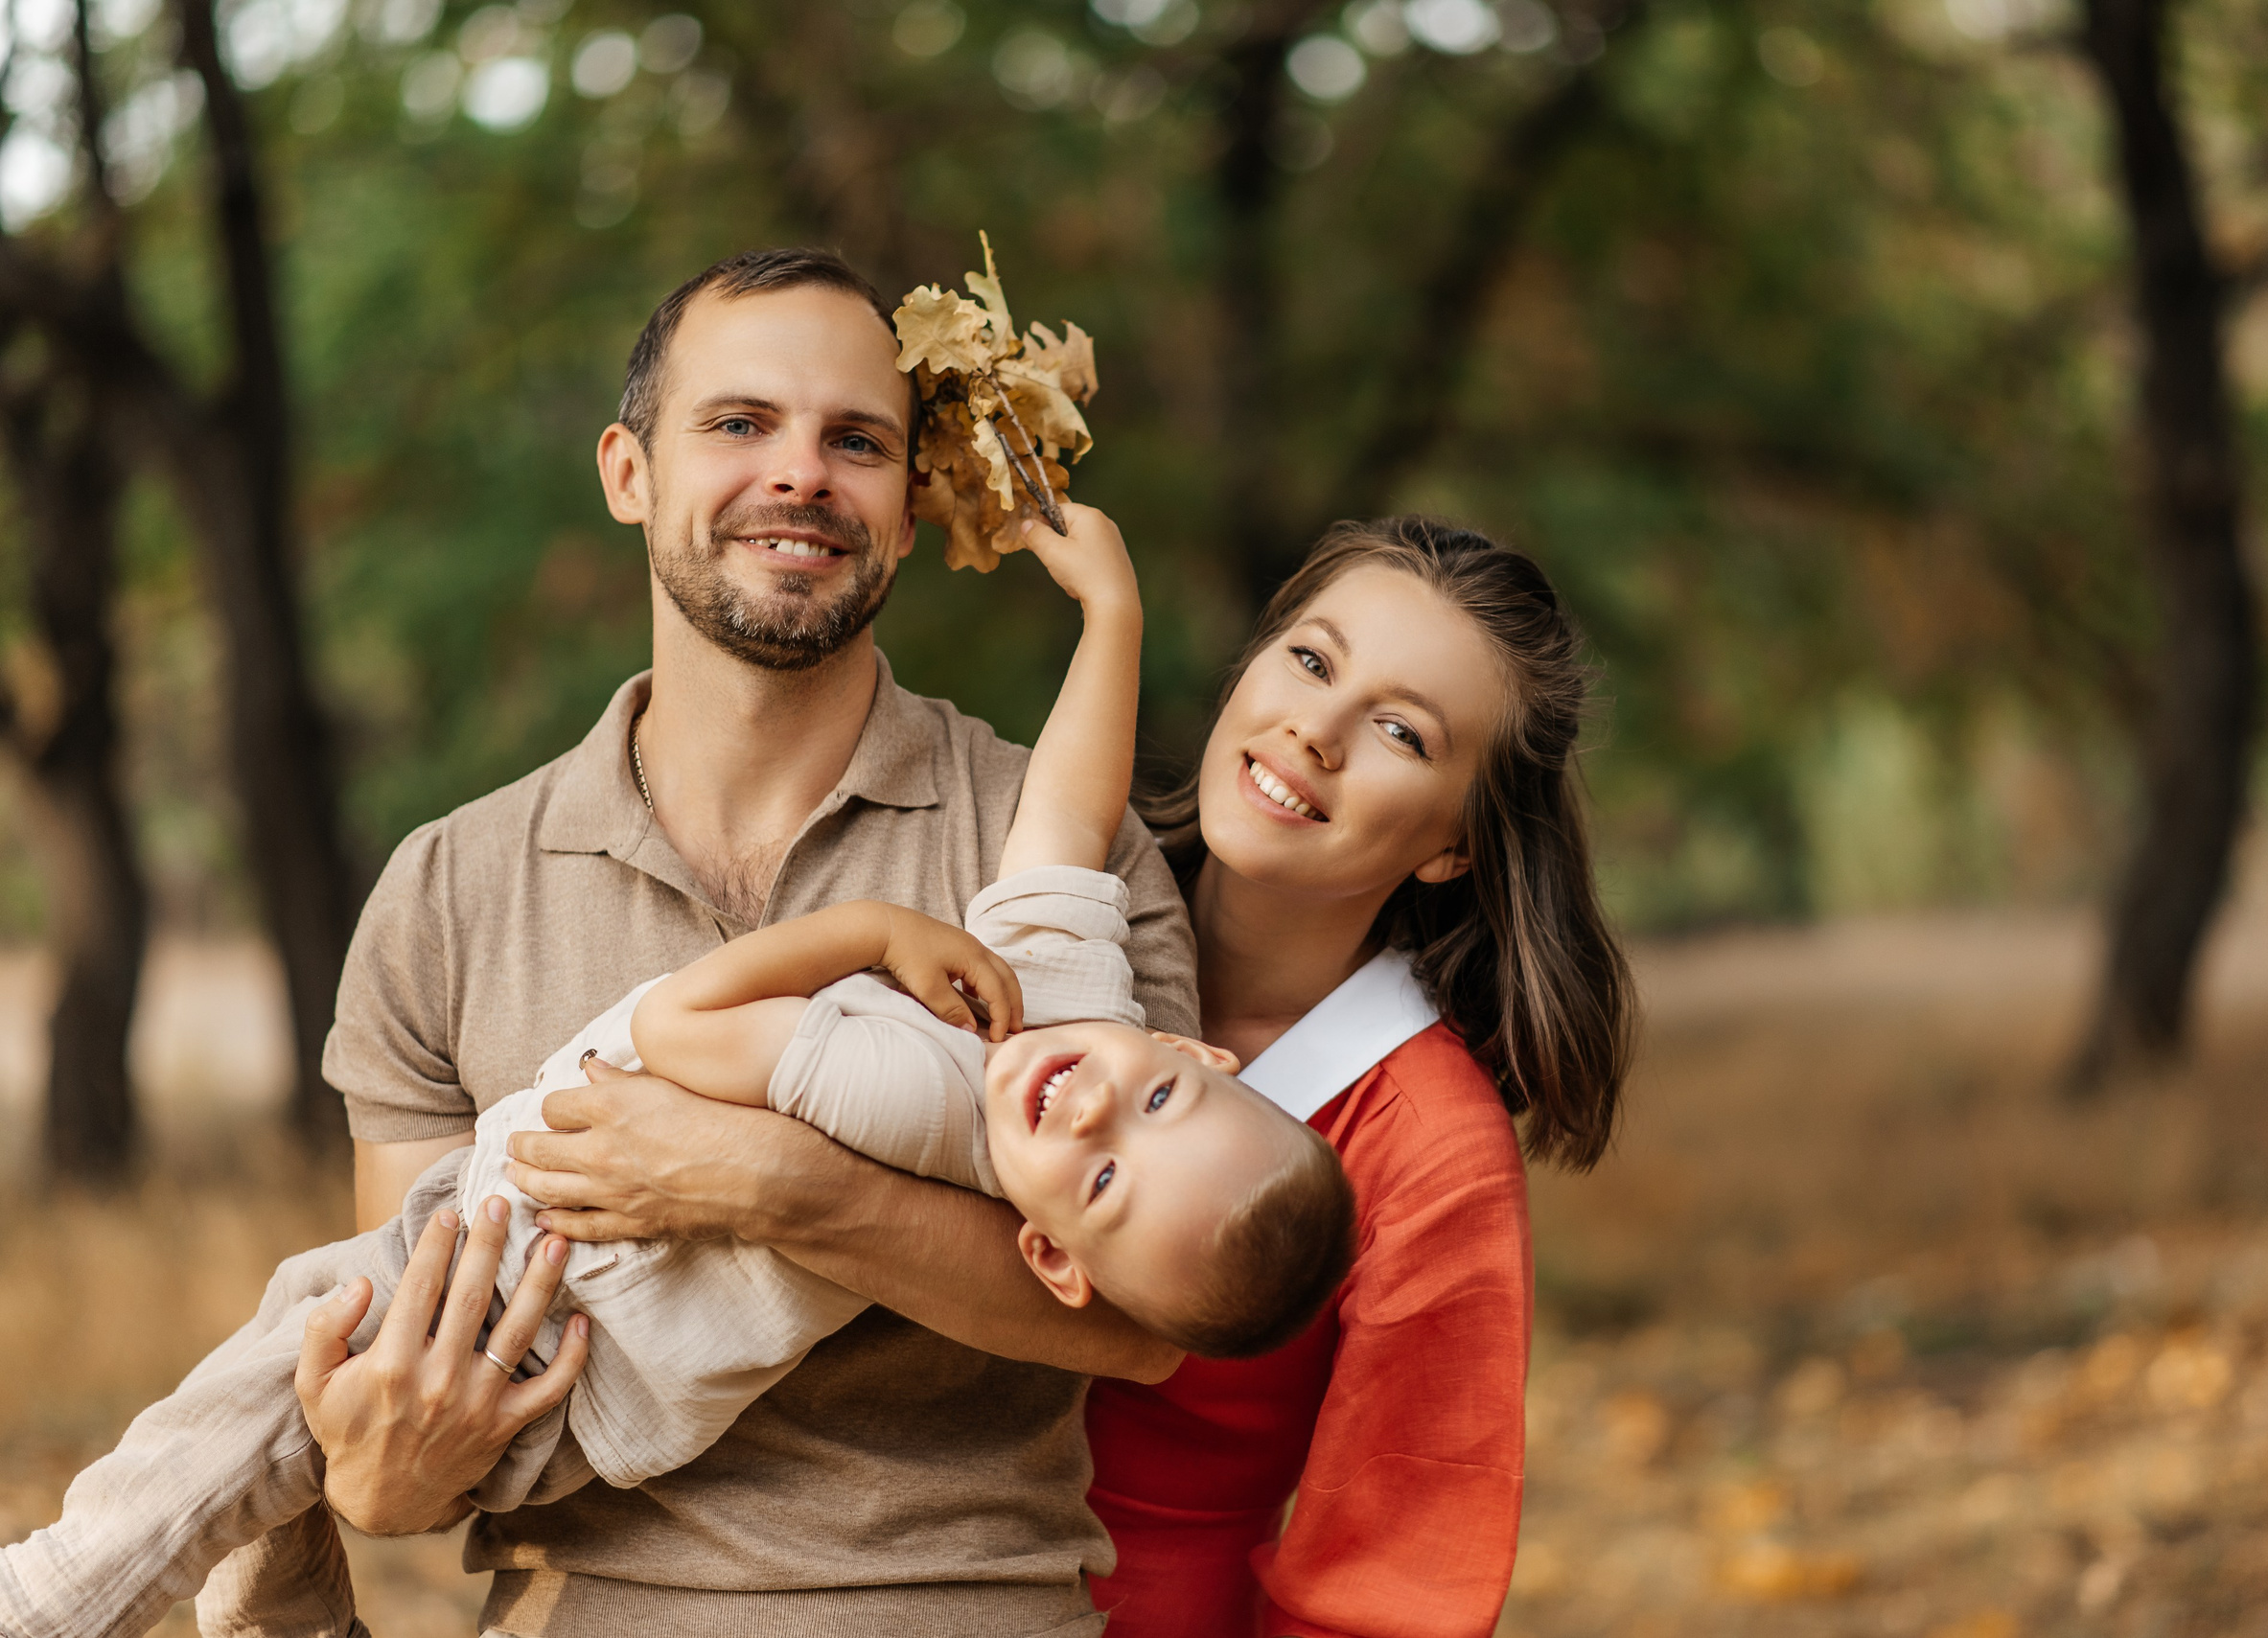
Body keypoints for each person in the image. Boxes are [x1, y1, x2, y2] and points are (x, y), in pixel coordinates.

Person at [0, 505, 1354, 1638]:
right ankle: (268, 1576)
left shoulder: (917, 1091)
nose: (1096, 1104)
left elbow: (684, 1035)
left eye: (1105, 1173)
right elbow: (1062, 814)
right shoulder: (1065, 1012)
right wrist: (1108, 613)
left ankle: (64, 1597)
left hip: (560, 1342)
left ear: (1059, 1254)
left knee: (294, 1339)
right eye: (1160, 1091)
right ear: (1185, 1050)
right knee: (302, 1383)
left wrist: (868, 940)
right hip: (512, 1320)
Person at [234, 245, 1208, 1638]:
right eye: (740, 423)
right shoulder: (449, 887)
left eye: (856, 440)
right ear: (629, 472)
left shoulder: (1060, 841)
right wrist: (383, 1474)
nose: (801, 475)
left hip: (960, 1606)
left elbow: (1137, 1321)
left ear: (916, 504)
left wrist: (779, 1184)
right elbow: (421, 1401)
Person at [1084, 518, 1638, 1638]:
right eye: (1309, 658)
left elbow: (1392, 1580)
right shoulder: (1043, 895)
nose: (1315, 729)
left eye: (1400, 730)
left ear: (1454, 844)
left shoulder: (1429, 1144)